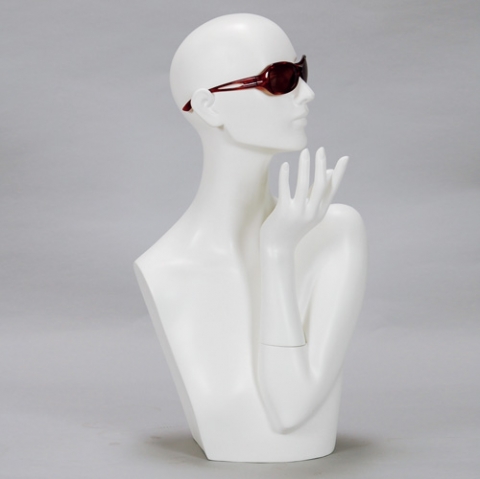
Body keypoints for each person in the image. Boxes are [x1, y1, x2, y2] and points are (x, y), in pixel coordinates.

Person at [134, 13, 367, 462]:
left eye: (302, 72)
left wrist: (278, 252)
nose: (307, 93)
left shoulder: (335, 232)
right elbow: (289, 414)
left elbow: (291, 411)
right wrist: (276, 249)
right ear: (209, 107)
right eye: (280, 79)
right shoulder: (163, 268)